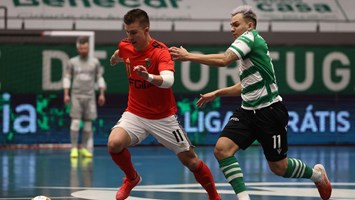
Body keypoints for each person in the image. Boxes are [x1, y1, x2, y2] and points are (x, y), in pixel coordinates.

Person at [169, 5, 332, 200]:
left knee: (279, 167)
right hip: (247, 112)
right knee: (222, 149)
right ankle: (243, 197)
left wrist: (188, 56)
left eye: (236, 25)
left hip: (270, 112)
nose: (232, 29)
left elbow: (224, 60)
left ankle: (317, 176)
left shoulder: (250, 38)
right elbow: (245, 85)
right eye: (231, 25)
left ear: (250, 25)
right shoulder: (248, 49)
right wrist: (218, 93)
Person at [108, 8, 221, 200]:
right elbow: (120, 51)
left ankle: (214, 196)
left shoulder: (160, 52)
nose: (130, 37)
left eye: (134, 32)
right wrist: (115, 58)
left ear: (146, 29)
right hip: (135, 113)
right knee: (114, 143)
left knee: (192, 162)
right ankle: (132, 178)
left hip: (163, 118)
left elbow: (168, 81)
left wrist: (148, 76)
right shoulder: (126, 45)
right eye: (127, 32)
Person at [63, 36, 106, 158]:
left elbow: (99, 78)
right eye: (81, 48)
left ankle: (84, 148)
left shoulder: (95, 62)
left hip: (90, 96)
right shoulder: (72, 62)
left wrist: (102, 93)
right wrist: (66, 94)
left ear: (88, 48)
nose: (83, 50)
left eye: (85, 48)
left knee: (88, 124)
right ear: (78, 48)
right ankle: (74, 148)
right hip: (76, 95)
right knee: (75, 122)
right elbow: (67, 78)